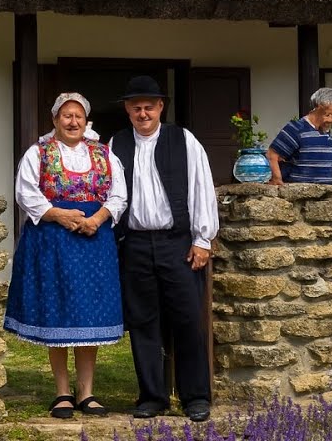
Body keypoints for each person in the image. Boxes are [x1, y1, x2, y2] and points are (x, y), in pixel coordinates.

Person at [5, 92, 128, 419]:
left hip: (92, 240)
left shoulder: (104, 154)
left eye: (78, 116)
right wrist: (59, 214)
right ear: (55, 119)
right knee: (58, 310)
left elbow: (119, 195)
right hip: (52, 239)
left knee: (89, 313)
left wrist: (97, 219)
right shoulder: (39, 152)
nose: (72, 122)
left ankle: (87, 393)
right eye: (66, 116)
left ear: (86, 121)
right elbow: (25, 192)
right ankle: (62, 392)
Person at [109, 75, 218, 423]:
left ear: (161, 107)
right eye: (136, 107)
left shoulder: (183, 139)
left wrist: (203, 239)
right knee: (143, 323)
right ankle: (152, 397)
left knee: (187, 319)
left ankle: (195, 396)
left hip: (177, 244)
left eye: (149, 107)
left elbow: (203, 187)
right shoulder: (116, 145)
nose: (143, 113)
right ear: (127, 110)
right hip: (136, 244)